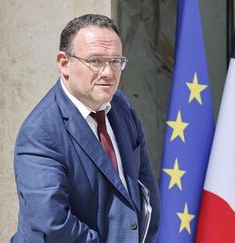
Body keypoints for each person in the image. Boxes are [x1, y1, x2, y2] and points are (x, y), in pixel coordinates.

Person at [11, 14, 160, 242]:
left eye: (115, 61)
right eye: (96, 61)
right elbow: (53, 224)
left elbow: (146, 194)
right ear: (64, 63)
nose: (108, 73)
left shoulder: (122, 107)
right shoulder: (40, 132)